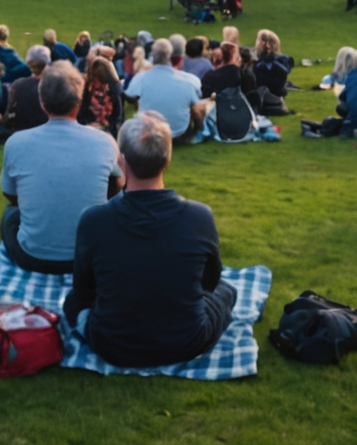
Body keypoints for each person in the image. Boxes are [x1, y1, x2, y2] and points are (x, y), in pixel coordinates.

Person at [65, 112, 236, 368]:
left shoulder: (93, 220)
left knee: (74, 303)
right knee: (226, 289)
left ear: (122, 162)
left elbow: (84, 288)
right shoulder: (199, 217)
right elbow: (208, 283)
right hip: (185, 341)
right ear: (167, 160)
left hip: (112, 343)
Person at [0, 61, 123, 273]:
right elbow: (116, 191)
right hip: (87, 257)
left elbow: (12, 196)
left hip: (32, 256)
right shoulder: (105, 142)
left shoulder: (17, 142)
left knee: (10, 215)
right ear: (79, 99)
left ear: (42, 102)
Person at [125, 44, 208, 140]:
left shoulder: (141, 77)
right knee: (199, 105)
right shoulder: (189, 80)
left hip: (152, 133)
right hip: (179, 133)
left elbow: (129, 97)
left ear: (152, 55)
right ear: (170, 56)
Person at [78, 54, 126, 135]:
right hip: (88, 129)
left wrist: (106, 126)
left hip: (109, 130)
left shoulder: (115, 89)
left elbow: (118, 117)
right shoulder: (85, 89)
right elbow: (81, 114)